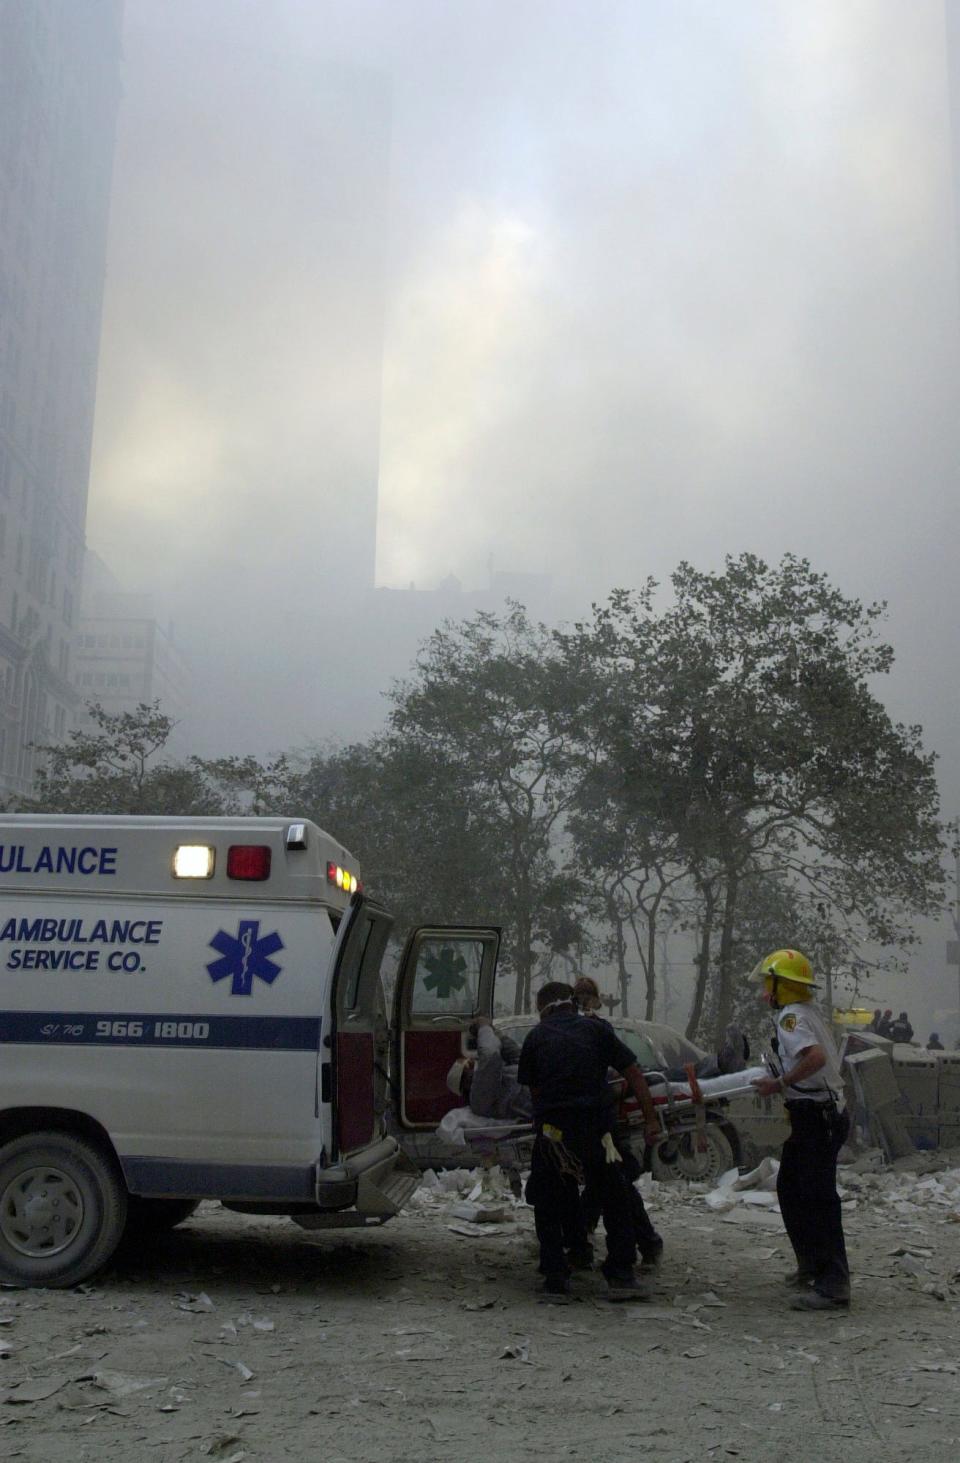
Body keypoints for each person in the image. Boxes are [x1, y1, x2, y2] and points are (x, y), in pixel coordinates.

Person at [517, 981, 662, 1302]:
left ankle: (556, 1278)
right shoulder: (597, 1030)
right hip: (600, 1132)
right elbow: (635, 1073)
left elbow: (535, 1093)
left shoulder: (536, 1037)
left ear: (543, 1007)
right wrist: (651, 1119)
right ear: (572, 1003)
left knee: (548, 1199)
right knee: (616, 1196)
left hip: (555, 1134)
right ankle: (621, 1275)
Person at [751, 949, 850, 1312]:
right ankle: (810, 1265)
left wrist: (779, 1083)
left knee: (818, 1199)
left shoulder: (791, 1017)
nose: (765, 992)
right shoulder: (805, 1013)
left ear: (783, 986)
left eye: (768, 984)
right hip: (818, 1113)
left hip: (817, 1115)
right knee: (790, 1187)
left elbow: (815, 1058)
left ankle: (833, 1283)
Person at [571, 975, 664, 1269]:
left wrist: (648, 1116)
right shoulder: (598, 1028)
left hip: (596, 1120)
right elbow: (628, 1072)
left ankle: (630, 1248)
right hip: (603, 1118)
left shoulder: (570, 1031)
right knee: (610, 1181)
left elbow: (629, 1074)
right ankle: (589, 1241)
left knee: (612, 1183)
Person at [446, 1018, 532, 1123]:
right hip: (542, 1098)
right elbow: (490, 1055)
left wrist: (493, 1031)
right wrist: (484, 1028)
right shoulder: (479, 1097)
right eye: (470, 1063)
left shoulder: (495, 1080)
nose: (475, 1061)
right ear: (466, 1080)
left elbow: (519, 1057)